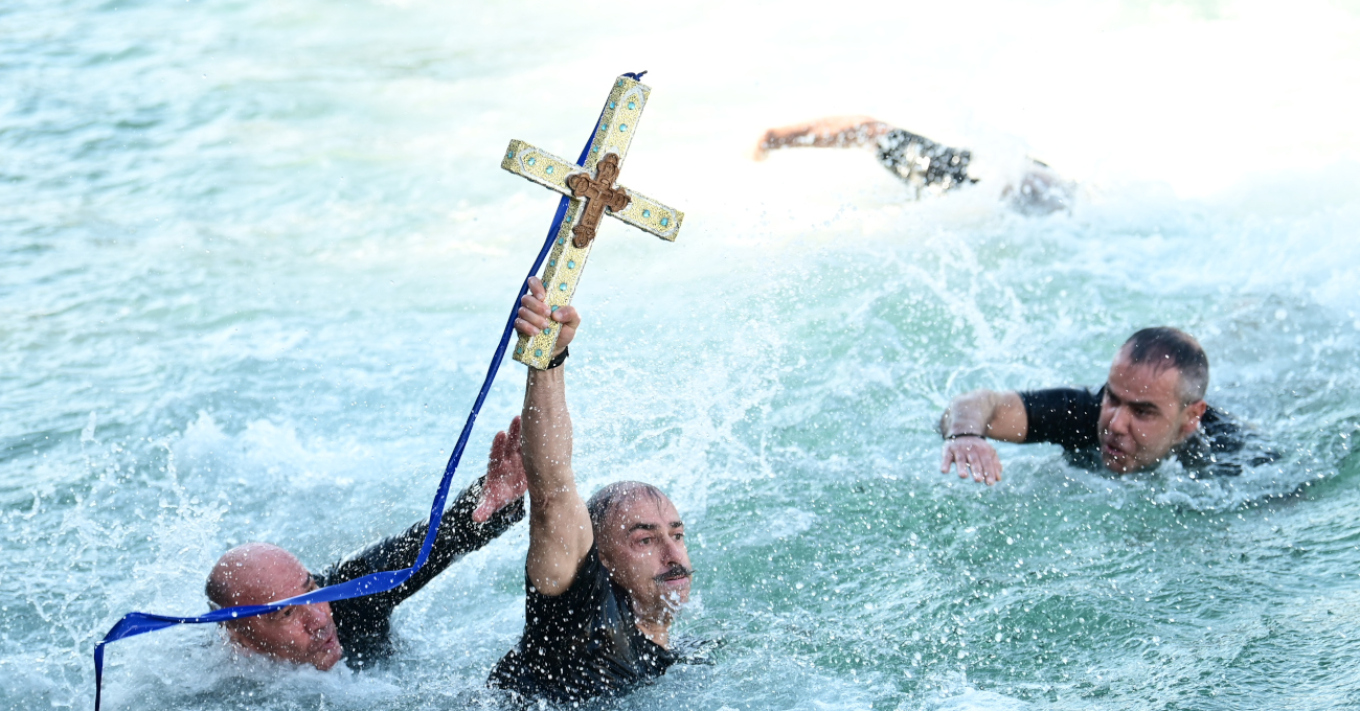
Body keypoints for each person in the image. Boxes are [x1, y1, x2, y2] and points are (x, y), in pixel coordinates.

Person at [487, 277, 695, 704]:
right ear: (596, 557)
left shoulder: (680, 656)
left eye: (676, 535)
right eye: (645, 540)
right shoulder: (579, 620)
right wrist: (549, 359)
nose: (673, 557)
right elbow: (553, 493)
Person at [203, 420, 529, 671]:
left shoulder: (349, 596)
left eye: (312, 589)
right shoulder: (206, 682)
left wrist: (493, 502)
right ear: (241, 640)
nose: (318, 619)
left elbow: (428, 544)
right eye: (288, 613)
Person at [938, 327, 1274, 484]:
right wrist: (965, 435)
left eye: (1143, 412)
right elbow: (975, 404)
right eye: (1113, 397)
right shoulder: (1082, 412)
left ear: (1190, 419)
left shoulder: (1232, 456)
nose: (1114, 424)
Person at [753, 115, 1073, 214]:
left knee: (872, 132)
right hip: (992, 181)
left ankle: (768, 140)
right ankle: (768, 140)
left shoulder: (956, 178)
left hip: (976, 180)